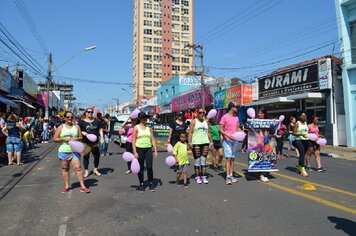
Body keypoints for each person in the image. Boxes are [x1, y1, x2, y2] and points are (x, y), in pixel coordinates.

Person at [53, 111, 90, 193]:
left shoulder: (76, 127)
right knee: (65, 168)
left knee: (78, 168)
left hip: (74, 151)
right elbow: (55, 139)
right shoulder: (61, 127)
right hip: (64, 151)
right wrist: (63, 139)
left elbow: (81, 137)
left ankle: (83, 186)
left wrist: (76, 138)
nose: (70, 118)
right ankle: (66, 186)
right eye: (68, 117)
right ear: (64, 118)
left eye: (71, 117)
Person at [132, 111, 158, 193]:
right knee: (141, 168)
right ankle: (142, 184)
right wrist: (135, 152)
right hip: (139, 149)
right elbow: (133, 141)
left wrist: (155, 150)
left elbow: (153, 140)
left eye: (146, 117)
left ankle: (150, 184)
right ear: (140, 119)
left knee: (149, 167)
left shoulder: (149, 128)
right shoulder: (136, 128)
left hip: (148, 149)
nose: (146, 119)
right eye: (144, 117)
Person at [188, 108, 213, 184]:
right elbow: (190, 132)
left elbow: (208, 132)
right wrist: (189, 142)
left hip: (205, 142)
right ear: (197, 113)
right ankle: (197, 176)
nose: (202, 114)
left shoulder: (206, 122)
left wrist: (211, 142)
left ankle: (203, 176)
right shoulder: (193, 121)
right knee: (197, 160)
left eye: (203, 113)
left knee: (203, 160)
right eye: (200, 112)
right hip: (196, 143)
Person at [78, 108, 105, 178]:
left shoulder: (96, 121)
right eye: (89, 112)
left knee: (97, 156)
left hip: (95, 143)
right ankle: (86, 171)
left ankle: (95, 169)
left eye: (91, 112)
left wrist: (102, 137)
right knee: (86, 157)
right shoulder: (81, 122)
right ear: (86, 113)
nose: (90, 113)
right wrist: (81, 132)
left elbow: (100, 129)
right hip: (86, 143)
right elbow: (77, 130)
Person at [219, 102, 240, 185]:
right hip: (226, 140)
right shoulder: (224, 117)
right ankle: (227, 176)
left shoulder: (236, 117)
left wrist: (240, 132)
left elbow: (237, 128)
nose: (237, 109)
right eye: (236, 107)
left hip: (235, 140)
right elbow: (220, 129)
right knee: (228, 158)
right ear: (232, 108)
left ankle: (231, 175)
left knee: (232, 158)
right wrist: (227, 135)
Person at [292, 112, 313, 177]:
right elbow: (293, 133)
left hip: (305, 140)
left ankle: (299, 167)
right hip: (298, 140)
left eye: (305, 116)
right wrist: (301, 134)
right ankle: (303, 170)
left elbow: (306, 131)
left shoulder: (306, 123)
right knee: (302, 153)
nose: (304, 117)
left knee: (308, 151)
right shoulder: (297, 123)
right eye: (303, 116)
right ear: (300, 117)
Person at [254, 108, 270, 182]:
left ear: (264, 114)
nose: (259, 114)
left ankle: (261, 172)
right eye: (259, 113)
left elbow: (273, 129)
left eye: (261, 113)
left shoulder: (268, 121)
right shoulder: (255, 120)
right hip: (258, 140)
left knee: (265, 156)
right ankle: (261, 174)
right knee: (260, 157)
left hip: (266, 139)